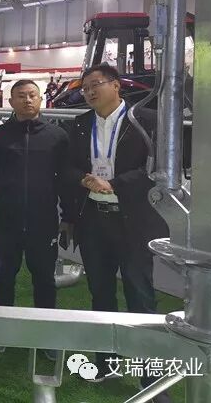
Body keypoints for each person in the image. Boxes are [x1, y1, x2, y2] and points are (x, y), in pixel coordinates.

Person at [60, 64, 170, 401]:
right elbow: (66, 167)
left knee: (140, 296)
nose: (90, 92)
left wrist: (116, 184)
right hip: (94, 221)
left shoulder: (146, 120)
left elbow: (158, 168)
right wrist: (83, 181)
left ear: (116, 85)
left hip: (133, 221)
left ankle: (150, 377)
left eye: (96, 84)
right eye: (85, 88)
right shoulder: (80, 125)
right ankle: (105, 364)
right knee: (101, 294)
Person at [0, 80, 68, 357]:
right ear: (11, 101)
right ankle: (2, 331)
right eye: (21, 96)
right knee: (4, 276)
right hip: (7, 220)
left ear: (40, 99)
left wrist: (69, 216)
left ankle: (46, 337)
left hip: (44, 221)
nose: (27, 100)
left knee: (45, 279)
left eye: (32, 95)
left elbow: (65, 180)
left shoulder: (57, 136)